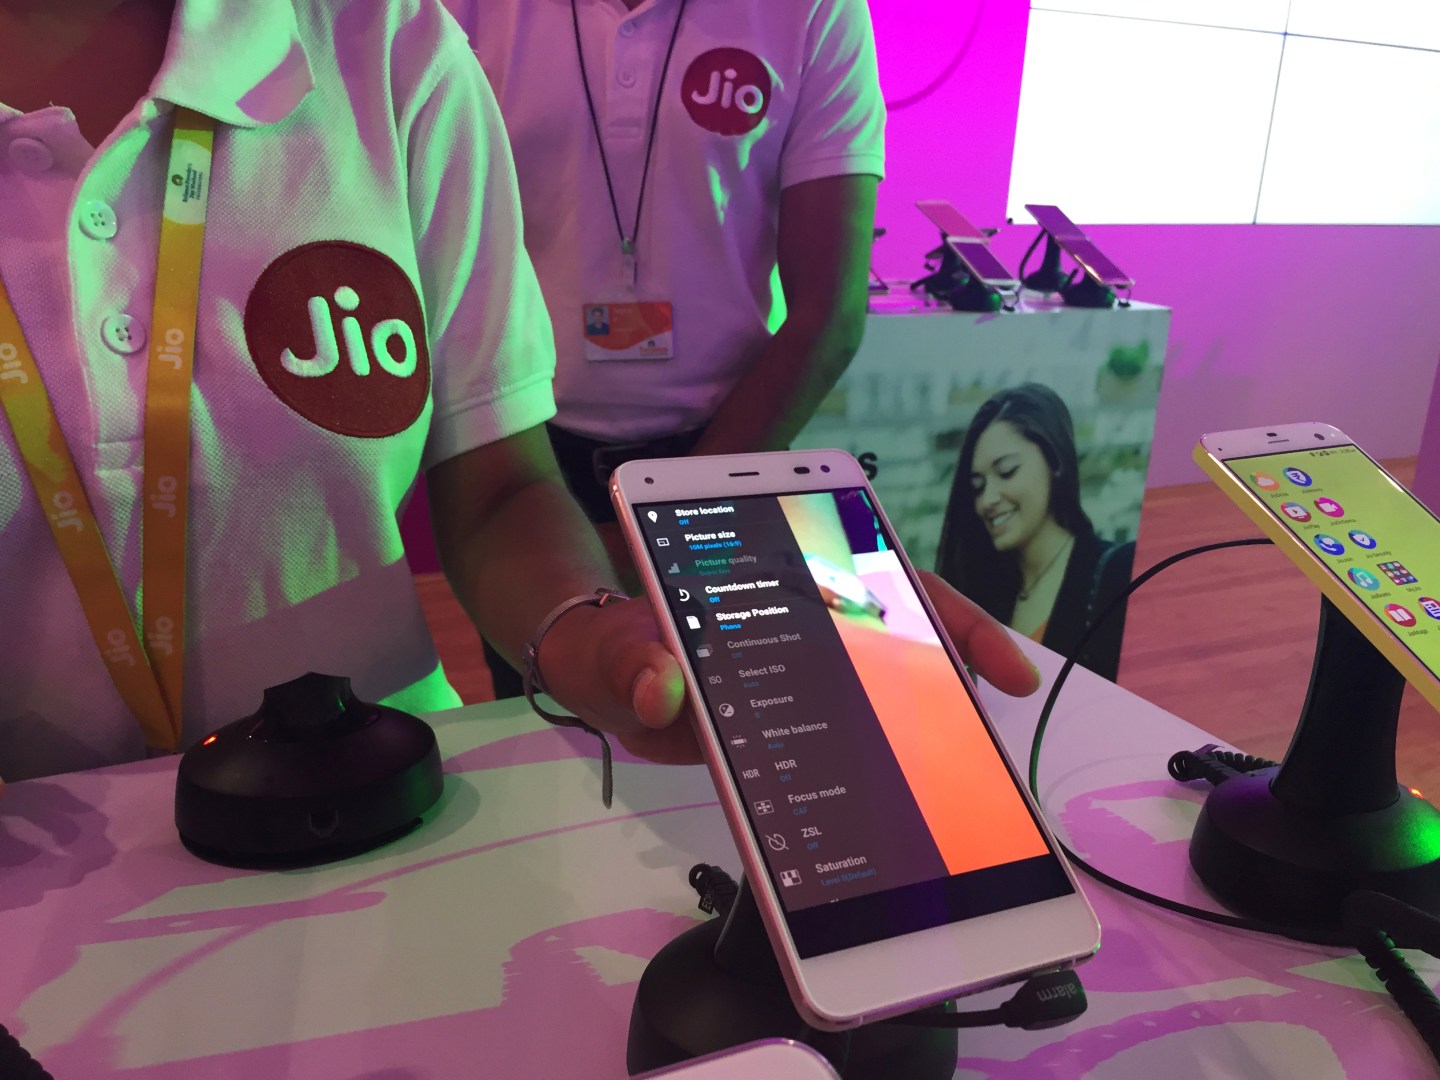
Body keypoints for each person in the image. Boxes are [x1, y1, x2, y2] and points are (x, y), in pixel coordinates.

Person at [0, 0, 1034, 786]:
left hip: (394, 787)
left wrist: (619, 593)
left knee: (675, 775)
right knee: (566, 749)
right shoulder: (469, 17)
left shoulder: (387, 43)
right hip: (48, 887)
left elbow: (502, 487)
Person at [451, 0, 885, 694]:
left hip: (732, 449)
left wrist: (680, 516)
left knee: (735, 718)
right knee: (551, 719)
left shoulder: (812, 10)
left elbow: (829, 316)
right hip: (523, 460)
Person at [936, 383, 1136, 681]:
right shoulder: (983, 591)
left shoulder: (1119, 574)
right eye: (977, 486)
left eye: (1007, 471)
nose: (988, 499)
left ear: (1054, 461)